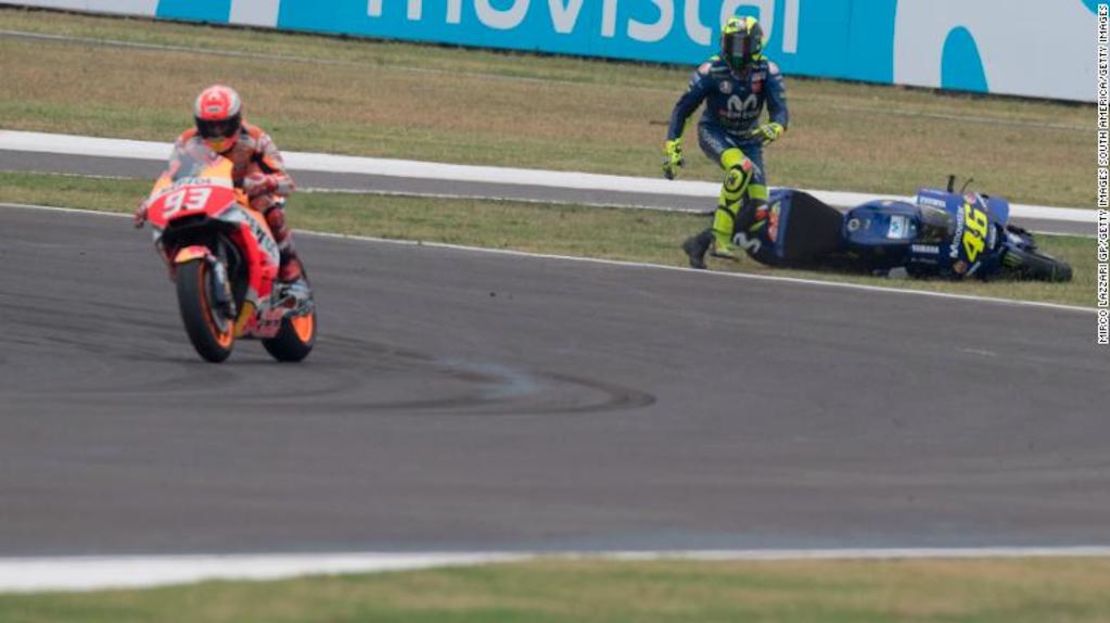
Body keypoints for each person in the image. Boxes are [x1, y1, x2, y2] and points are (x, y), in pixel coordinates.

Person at [135, 84, 304, 283]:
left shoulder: (256, 138)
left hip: (245, 195)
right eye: (209, 126)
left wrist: (264, 182)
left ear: (236, 120)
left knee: (270, 209)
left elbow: (286, 183)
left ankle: (286, 260)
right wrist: (150, 203)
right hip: (204, 196)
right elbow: (171, 176)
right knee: (167, 221)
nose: (216, 132)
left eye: (223, 125)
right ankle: (177, 264)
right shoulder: (186, 141)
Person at [662, 15, 789, 269]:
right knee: (740, 169)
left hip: (749, 140)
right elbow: (682, 110)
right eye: (730, 44)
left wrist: (776, 127)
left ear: (755, 45)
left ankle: (700, 242)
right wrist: (672, 147)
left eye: (741, 45)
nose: (735, 52)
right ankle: (720, 241)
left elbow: (780, 111)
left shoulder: (767, 71)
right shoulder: (710, 71)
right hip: (715, 132)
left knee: (758, 211)